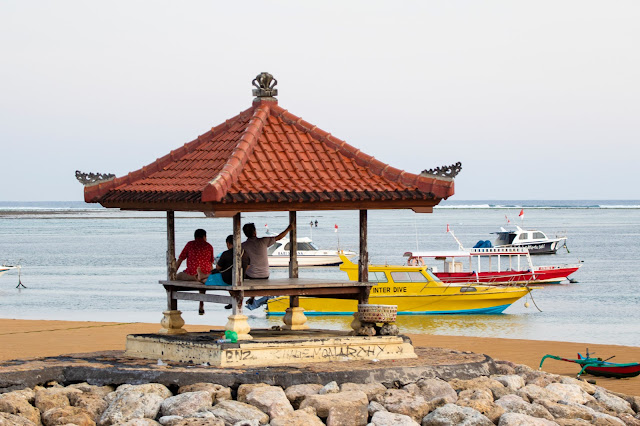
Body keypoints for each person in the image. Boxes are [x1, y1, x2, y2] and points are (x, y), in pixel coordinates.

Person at [242, 222, 292, 309]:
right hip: (265, 275)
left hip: (251, 276)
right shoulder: (264, 241)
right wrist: (289, 228)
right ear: (255, 232)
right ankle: (253, 298)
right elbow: (279, 237)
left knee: (245, 271)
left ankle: (251, 297)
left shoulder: (243, 245)